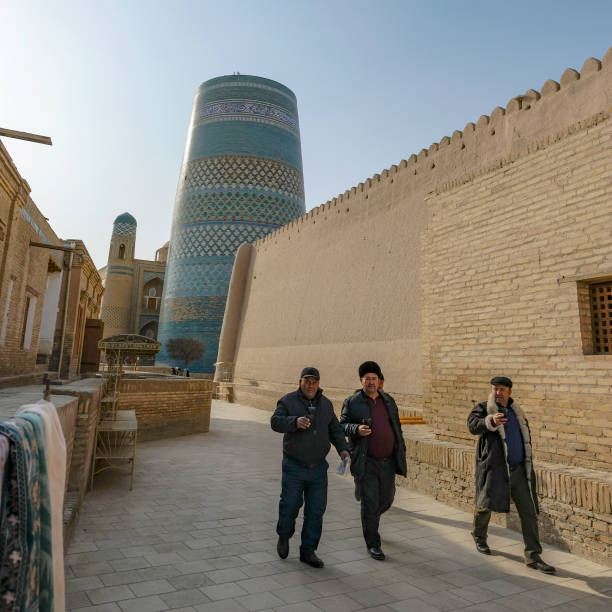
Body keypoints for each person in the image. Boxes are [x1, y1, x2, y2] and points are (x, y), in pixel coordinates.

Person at [467, 376, 555, 574]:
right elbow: (472, 425)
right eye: (495, 389)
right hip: (495, 470)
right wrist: (490, 421)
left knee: (529, 511)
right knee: (484, 505)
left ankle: (533, 556)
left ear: (509, 392)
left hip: (519, 471)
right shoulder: (483, 408)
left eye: (502, 389)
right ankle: (479, 536)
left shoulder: (518, 413)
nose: (498, 393)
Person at [271, 366, 350, 568]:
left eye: (314, 381)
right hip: (294, 466)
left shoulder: (325, 405)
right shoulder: (288, 401)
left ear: (318, 384)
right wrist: (294, 422)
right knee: (289, 504)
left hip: (318, 469)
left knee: (316, 511)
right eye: (306, 381)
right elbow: (275, 422)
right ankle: (284, 536)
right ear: (300, 382)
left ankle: (308, 551)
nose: (310, 385)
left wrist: (343, 449)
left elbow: (335, 430)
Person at [340, 361, 407, 561]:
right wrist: (356, 429)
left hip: (388, 461)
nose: (371, 382)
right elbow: (342, 425)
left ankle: (370, 518)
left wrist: (400, 449)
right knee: (370, 503)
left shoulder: (388, 400)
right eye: (367, 378)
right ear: (361, 381)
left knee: (387, 499)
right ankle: (373, 543)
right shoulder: (352, 402)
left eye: (374, 378)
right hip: (366, 460)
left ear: (379, 381)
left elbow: (396, 427)